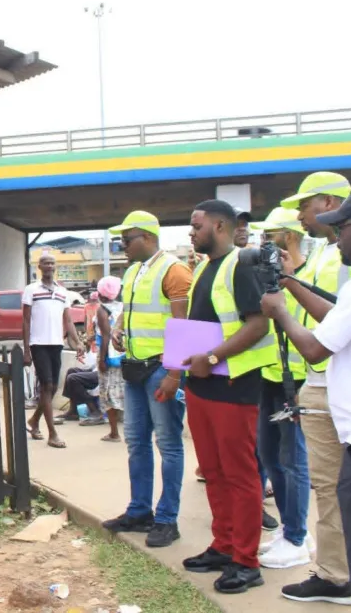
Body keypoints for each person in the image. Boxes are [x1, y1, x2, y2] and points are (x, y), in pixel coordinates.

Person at [260, 187, 351, 612]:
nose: (336, 239)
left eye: (341, 229)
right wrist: (291, 284)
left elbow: (317, 348)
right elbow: (339, 322)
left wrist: (279, 310)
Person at [180, 200, 277, 595]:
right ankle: (223, 545)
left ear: (219, 226)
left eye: (196, 225)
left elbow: (258, 325)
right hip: (202, 385)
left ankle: (246, 561)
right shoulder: (204, 267)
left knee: (240, 475)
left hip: (234, 385)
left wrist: (215, 356)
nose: (191, 232)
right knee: (213, 471)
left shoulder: (242, 265)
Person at [274, 170, 351, 604]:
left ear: (327, 203)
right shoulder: (329, 251)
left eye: (304, 206)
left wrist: (288, 288)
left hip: (346, 381)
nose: (299, 217)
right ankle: (335, 573)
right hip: (320, 379)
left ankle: (346, 573)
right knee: (329, 485)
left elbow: (339, 318)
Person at [101, 211, 192, 549]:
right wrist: (121, 328)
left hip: (160, 371)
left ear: (149, 237)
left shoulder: (175, 271)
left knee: (168, 445)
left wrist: (174, 374)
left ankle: (167, 519)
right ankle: (140, 511)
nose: (122, 245)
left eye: (127, 239)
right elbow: (133, 309)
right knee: (136, 443)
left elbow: (184, 327)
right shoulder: (134, 271)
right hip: (135, 368)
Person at [248, 208, 313, 569]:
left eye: (268, 236)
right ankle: (291, 527)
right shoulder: (270, 277)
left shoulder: (306, 275)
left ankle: (298, 536)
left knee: (293, 461)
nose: (262, 243)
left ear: (287, 237)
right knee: (271, 457)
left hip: (298, 380)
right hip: (270, 376)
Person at [24, 250, 86, 448]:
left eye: (52, 263)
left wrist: (77, 343)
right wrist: (26, 349)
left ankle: (34, 421)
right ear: (39, 267)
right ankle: (52, 433)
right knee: (46, 386)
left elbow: (67, 319)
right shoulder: (31, 290)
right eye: (45, 263)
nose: (49, 266)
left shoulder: (62, 292)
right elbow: (25, 320)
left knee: (53, 388)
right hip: (38, 343)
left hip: (56, 343)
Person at [96, 275, 125, 442]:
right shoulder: (121, 307)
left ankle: (114, 432)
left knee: (107, 394)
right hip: (122, 354)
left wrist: (102, 360)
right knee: (122, 392)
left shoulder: (102, 310)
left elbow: (106, 336)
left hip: (108, 354)